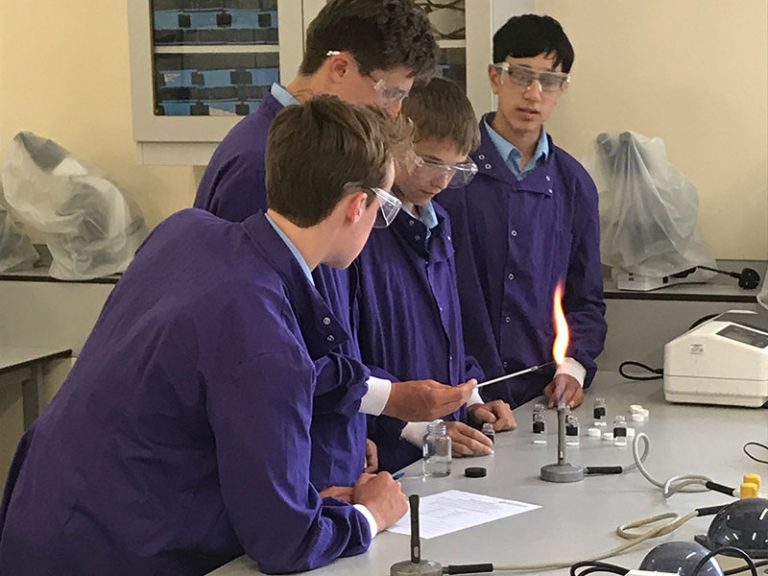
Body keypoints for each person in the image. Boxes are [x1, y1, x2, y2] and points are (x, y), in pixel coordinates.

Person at [0, 97, 410, 576]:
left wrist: (376, 403)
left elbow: (221, 382)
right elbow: (286, 543)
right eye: (383, 208)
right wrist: (369, 515)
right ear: (357, 206)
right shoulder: (264, 335)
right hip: (111, 552)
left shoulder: (186, 233)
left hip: (45, 513)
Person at [194, 0, 474, 485]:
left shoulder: (324, 152)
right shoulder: (260, 164)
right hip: (285, 456)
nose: (396, 112)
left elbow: (328, 314)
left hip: (323, 435)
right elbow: (259, 353)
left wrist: (350, 424)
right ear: (340, 67)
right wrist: (377, 405)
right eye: (390, 93)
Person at [437, 14, 607, 410]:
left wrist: (573, 368)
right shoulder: (450, 173)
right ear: (495, 77)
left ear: (563, 88)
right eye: (520, 75)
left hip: (540, 395)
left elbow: (585, 299)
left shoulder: (573, 184)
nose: (533, 93)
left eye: (549, 81)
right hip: (457, 391)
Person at [355, 78, 517, 472]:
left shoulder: (439, 223)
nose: (442, 181)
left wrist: (471, 398)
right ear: (393, 143)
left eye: (455, 168)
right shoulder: (363, 234)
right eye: (429, 162)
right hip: (386, 453)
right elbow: (351, 357)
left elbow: (449, 334)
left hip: (441, 448)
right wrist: (415, 427)